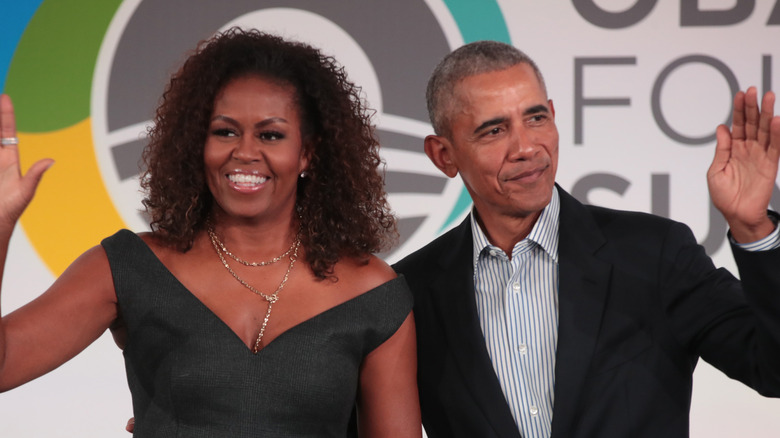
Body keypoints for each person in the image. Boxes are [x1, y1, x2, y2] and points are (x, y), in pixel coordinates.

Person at [0, 28, 421, 437]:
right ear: (195, 144)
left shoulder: (371, 293)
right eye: (225, 132)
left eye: (271, 135)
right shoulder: (129, 267)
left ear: (307, 152)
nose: (245, 152)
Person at [393, 40, 780, 438]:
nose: (526, 147)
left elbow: (774, 371)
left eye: (536, 118)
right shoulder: (408, 293)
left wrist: (755, 233)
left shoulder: (655, 253)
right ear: (443, 155)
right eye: (494, 130)